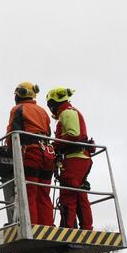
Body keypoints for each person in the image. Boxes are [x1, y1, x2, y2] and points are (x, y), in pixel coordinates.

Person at [6, 81, 55, 226]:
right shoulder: (43, 112)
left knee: (29, 192)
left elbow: (12, 133)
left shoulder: (18, 109)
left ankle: (31, 226)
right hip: (47, 153)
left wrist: (10, 149)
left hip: (31, 152)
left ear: (19, 94)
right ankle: (47, 226)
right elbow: (48, 132)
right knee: (44, 193)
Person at [46, 87, 93, 230]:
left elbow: (73, 134)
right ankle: (86, 227)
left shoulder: (67, 113)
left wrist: (54, 145)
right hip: (80, 158)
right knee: (79, 195)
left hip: (75, 159)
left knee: (68, 195)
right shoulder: (70, 112)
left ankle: (67, 228)